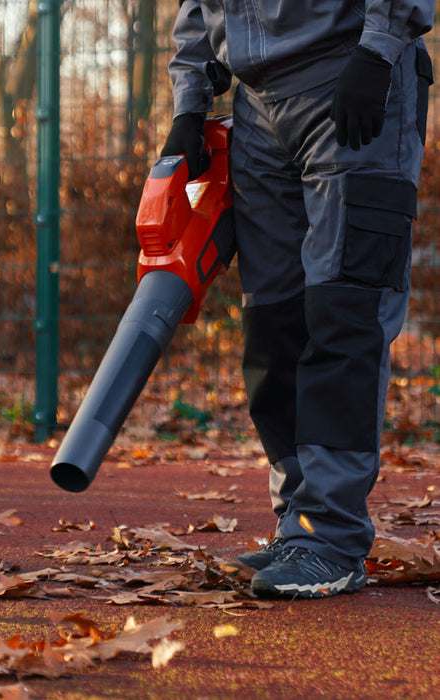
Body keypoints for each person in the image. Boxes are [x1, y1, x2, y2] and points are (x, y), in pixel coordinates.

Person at [161, 1, 435, 598]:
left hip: (355, 77)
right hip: (257, 106)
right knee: (274, 324)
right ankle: (299, 526)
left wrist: (378, 48)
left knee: (344, 313)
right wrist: (191, 102)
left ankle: (331, 538)